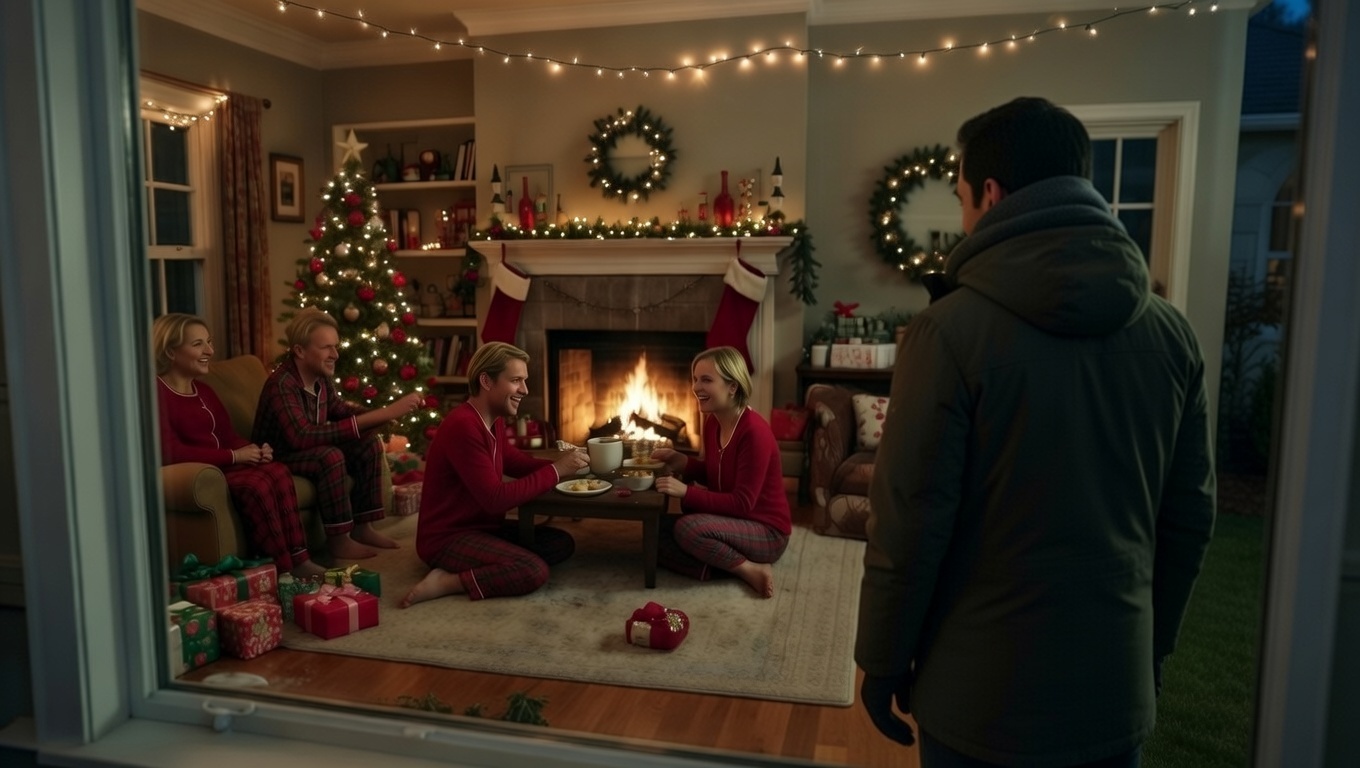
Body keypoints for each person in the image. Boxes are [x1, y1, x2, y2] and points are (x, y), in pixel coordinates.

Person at [855, 96, 1215, 767]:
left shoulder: (948, 333)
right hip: (1114, 686)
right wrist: (1151, 647)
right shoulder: (1173, 334)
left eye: (961, 196)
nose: (963, 215)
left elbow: (909, 524)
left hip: (977, 701)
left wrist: (880, 661)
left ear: (989, 195)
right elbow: (1189, 517)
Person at [401, 341, 589, 606]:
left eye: (524, 380)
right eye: (516, 380)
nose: (524, 389)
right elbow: (495, 498)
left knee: (561, 543)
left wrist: (574, 467)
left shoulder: (492, 420)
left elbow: (516, 462)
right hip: (447, 539)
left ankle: (479, 566)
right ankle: (446, 581)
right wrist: (558, 471)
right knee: (532, 570)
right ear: (486, 381)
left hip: (484, 529)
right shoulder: (463, 425)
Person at [152, 313, 325, 579]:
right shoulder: (157, 394)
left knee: (276, 470)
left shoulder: (205, 391)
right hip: (207, 473)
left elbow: (229, 436)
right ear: (170, 351)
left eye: (209, 342)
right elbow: (170, 451)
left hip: (227, 465)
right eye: (198, 344)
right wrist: (234, 456)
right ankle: (281, 570)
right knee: (257, 485)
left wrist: (255, 450)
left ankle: (300, 558)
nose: (210, 350)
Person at [252, 307, 424, 560]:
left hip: (306, 450)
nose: (336, 354)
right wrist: (384, 413)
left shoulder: (320, 380)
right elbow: (302, 436)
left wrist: (383, 415)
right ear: (299, 351)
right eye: (326, 348)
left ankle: (364, 527)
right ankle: (339, 540)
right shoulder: (282, 385)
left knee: (367, 444)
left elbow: (341, 410)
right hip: (279, 456)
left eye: (336, 346)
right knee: (329, 456)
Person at [649, 345, 792, 598]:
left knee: (687, 529)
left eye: (706, 380)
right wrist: (683, 461)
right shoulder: (713, 421)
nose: (695, 387)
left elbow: (742, 503)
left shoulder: (753, 432)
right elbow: (718, 474)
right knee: (653, 530)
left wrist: (686, 491)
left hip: (766, 532)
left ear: (732, 386)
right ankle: (712, 565)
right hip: (737, 521)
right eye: (695, 379)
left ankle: (748, 569)